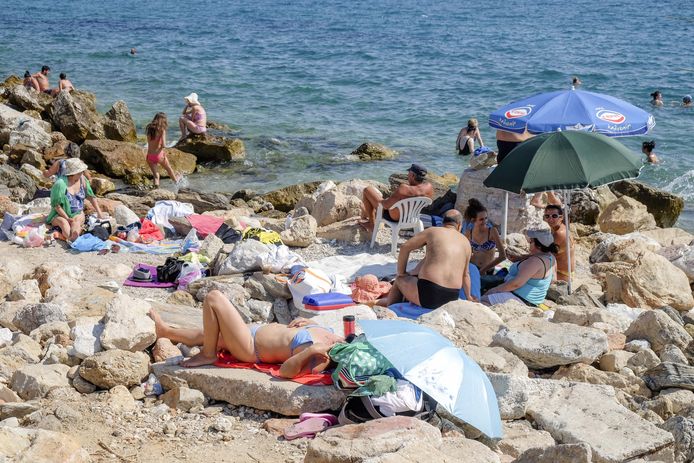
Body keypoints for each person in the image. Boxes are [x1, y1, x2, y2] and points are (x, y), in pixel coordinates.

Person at [148, 291, 343, 378]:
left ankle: (208, 354)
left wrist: (311, 350)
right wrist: (311, 323)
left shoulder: (321, 357)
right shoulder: (335, 338)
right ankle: (166, 332)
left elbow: (286, 372)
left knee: (213, 298)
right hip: (257, 331)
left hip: (250, 347)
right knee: (209, 333)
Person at [376, 209, 473, 308]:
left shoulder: (433, 231)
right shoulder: (466, 242)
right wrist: (469, 296)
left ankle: (390, 311)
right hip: (451, 297)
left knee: (400, 280)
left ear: (443, 222)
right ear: (460, 225)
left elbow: (405, 247)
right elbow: (466, 275)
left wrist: (401, 273)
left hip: (430, 295)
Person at [482, 229, 556, 306]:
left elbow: (516, 284)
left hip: (521, 299)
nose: (528, 243)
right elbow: (553, 280)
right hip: (531, 300)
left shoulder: (535, 261)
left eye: (531, 242)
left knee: (483, 300)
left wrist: (494, 290)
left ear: (539, 246)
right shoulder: (551, 257)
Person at [360, 163, 434, 233]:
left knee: (367, 190)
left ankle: (372, 224)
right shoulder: (429, 188)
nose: (407, 175)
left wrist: (382, 200)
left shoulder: (404, 188)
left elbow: (385, 206)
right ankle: (366, 216)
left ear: (413, 175)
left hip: (394, 218)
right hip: (413, 216)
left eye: (409, 173)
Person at [46, 158, 104, 241]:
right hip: (60, 214)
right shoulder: (60, 184)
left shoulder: (82, 180)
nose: (82, 174)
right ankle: (68, 237)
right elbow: (56, 205)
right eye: (80, 172)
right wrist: (67, 218)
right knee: (65, 225)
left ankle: (71, 238)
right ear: (73, 174)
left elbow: (91, 196)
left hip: (77, 212)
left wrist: (99, 212)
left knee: (76, 223)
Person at [463, 199, 506, 276]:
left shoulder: (492, 231)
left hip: (487, 270)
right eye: (481, 219)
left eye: (486, 218)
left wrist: (483, 270)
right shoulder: (469, 232)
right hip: (473, 267)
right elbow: (463, 251)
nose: (485, 221)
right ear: (473, 220)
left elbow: (503, 256)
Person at [146, 112, 180, 188]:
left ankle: (156, 190)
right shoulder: (162, 130)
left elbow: (149, 142)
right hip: (159, 155)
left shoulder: (149, 129)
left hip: (149, 156)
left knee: (156, 175)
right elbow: (164, 145)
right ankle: (176, 183)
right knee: (169, 169)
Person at [543, 204, 574, 281]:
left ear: (561, 217)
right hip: (565, 271)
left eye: (554, 216)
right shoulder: (559, 227)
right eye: (547, 216)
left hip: (562, 274)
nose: (550, 219)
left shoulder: (559, 233)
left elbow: (545, 255)